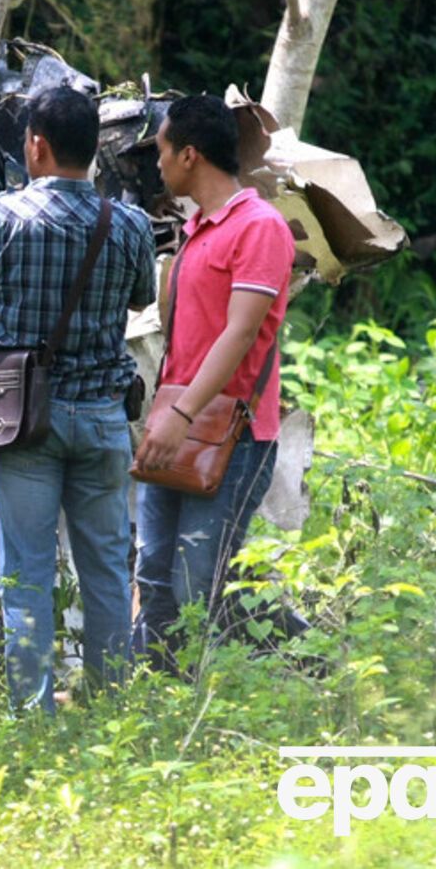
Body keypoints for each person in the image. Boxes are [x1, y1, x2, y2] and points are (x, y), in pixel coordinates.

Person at [0, 86, 156, 714]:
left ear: (36, 145)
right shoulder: (128, 223)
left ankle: (33, 720)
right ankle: (114, 708)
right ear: (95, 148)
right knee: (105, 570)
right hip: (102, 417)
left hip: (23, 423)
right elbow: (141, 299)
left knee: (25, 577)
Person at [132, 95, 296, 669]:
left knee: (195, 583)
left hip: (233, 435)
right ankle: (152, 704)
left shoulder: (259, 227)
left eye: (162, 152)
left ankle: (293, 661)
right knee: (152, 575)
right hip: (175, 424)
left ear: (190, 155)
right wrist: (165, 414)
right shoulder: (195, 230)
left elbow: (241, 333)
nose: (158, 164)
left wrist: (178, 417)